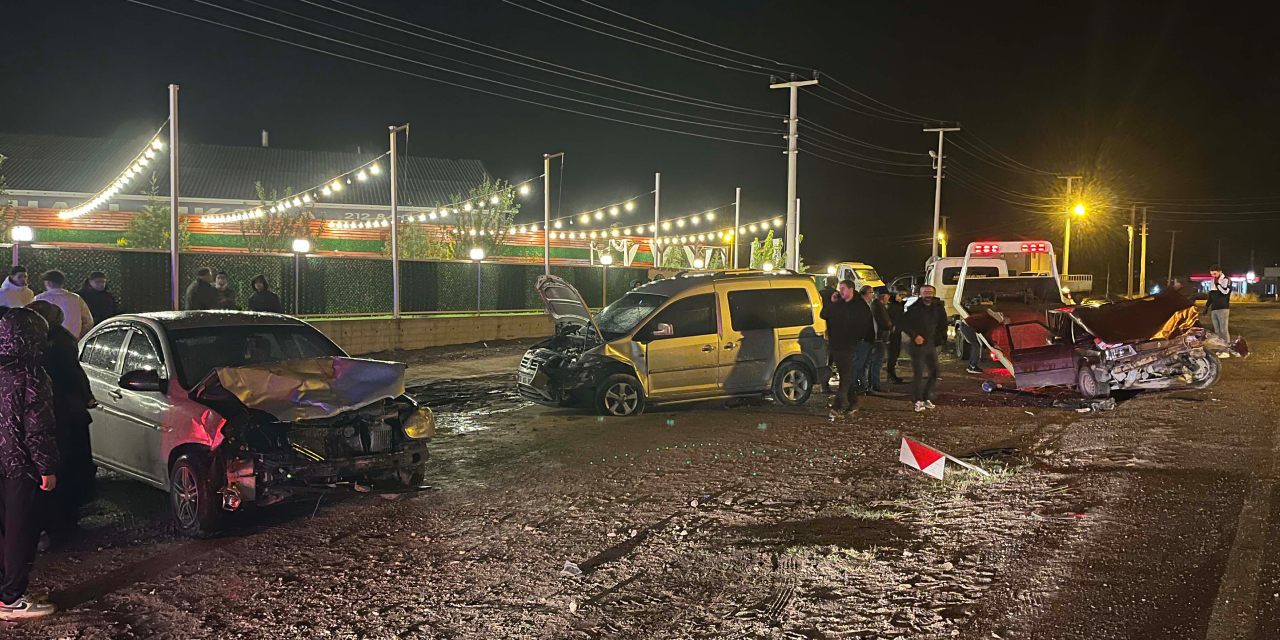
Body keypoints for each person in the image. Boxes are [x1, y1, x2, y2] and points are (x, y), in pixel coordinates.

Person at [0, 307, 59, 620]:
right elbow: (37, 428)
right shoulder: (31, 374)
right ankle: (11, 598)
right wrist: (46, 467)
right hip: (19, 465)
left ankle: (5, 591)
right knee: (20, 531)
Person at [26, 301, 94, 550]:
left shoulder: (27, 343)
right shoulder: (60, 341)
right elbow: (73, 374)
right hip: (62, 412)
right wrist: (86, 396)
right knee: (64, 466)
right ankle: (62, 522)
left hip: (44, 413)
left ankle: (50, 523)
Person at [820, 279, 875, 421]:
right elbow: (824, 314)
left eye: (843, 288)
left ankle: (837, 407)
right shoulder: (839, 303)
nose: (840, 291)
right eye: (840, 288)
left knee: (845, 377)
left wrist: (858, 340)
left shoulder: (859, 305)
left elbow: (864, 325)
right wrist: (832, 303)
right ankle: (853, 402)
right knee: (846, 376)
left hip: (852, 347)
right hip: (837, 346)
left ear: (851, 289)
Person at [902, 285, 948, 413]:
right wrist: (915, 335)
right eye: (925, 292)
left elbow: (942, 323)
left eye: (930, 292)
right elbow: (904, 323)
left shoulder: (938, 308)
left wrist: (941, 339)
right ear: (920, 294)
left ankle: (927, 396)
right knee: (918, 374)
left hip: (931, 344)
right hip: (917, 345)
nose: (928, 295)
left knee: (934, 372)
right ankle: (918, 400)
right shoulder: (914, 309)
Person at [32, 271, 93, 339]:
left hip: (47, 341)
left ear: (48, 283)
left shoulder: (39, 299)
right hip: (73, 340)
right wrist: (80, 337)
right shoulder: (76, 298)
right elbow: (88, 321)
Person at [862, 287, 891, 393]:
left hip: (878, 337)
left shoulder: (875, 305)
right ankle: (874, 384)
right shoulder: (878, 305)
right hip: (878, 338)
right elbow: (884, 322)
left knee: (874, 361)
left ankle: (872, 384)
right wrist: (890, 326)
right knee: (876, 362)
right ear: (884, 296)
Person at [818, 275, 839, 393]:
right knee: (831, 359)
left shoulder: (819, 293)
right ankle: (825, 385)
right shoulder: (836, 295)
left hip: (819, 328)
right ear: (835, 283)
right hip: (833, 330)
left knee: (823, 358)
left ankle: (823, 384)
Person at [885, 287, 908, 384]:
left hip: (897, 331)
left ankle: (891, 374)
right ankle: (890, 375)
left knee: (895, 353)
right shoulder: (891, 305)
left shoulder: (899, 304)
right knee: (892, 354)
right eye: (900, 295)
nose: (901, 298)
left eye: (903, 296)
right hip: (892, 333)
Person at [1207, 265, 1232, 341]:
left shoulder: (1226, 279)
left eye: (1214, 274)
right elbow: (1211, 295)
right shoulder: (1213, 281)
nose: (1213, 276)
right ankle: (1220, 347)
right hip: (1214, 308)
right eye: (1212, 274)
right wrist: (1207, 306)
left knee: (1223, 330)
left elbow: (1225, 292)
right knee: (1217, 331)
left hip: (1223, 308)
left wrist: (1217, 284)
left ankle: (1227, 347)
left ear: (1220, 272)